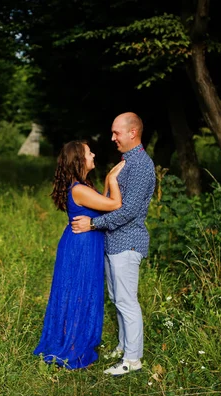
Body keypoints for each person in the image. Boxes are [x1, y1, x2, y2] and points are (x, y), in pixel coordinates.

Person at [71, 112, 155, 376]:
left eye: (116, 133)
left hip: (128, 241)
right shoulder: (126, 162)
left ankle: (133, 359)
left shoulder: (140, 164)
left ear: (133, 133)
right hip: (114, 241)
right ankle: (123, 347)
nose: (112, 138)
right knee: (117, 298)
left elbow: (128, 211)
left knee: (127, 301)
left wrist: (93, 225)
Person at [33, 140, 126, 369]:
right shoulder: (79, 189)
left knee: (80, 291)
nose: (93, 154)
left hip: (83, 243)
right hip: (81, 247)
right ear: (79, 160)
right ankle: (72, 344)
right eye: (89, 152)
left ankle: (73, 338)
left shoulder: (82, 186)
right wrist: (112, 179)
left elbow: (101, 204)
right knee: (79, 291)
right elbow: (115, 204)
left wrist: (106, 181)